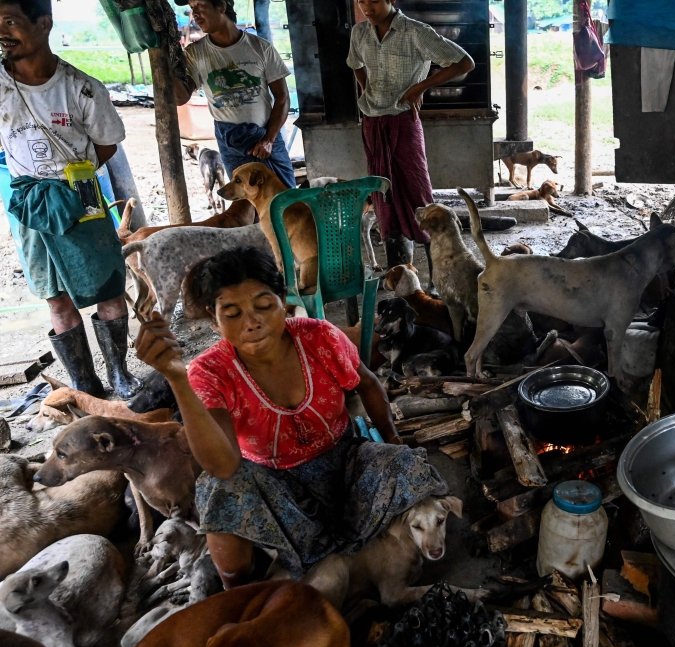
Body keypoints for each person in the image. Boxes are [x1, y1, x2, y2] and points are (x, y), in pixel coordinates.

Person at [135, 247, 448, 585]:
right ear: (214, 319)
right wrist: (177, 381)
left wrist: (393, 440)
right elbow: (224, 466)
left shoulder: (319, 336)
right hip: (274, 483)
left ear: (282, 300)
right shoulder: (209, 372)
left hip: (345, 463)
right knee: (219, 491)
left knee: (410, 465)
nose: (252, 322)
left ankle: (349, 553)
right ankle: (240, 589)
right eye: (232, 313)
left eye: (263, 306)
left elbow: (369, 386)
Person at [0, 0, 141, 398]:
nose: (2, 32)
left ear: (43, 24)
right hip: (28, 200)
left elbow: (107, 145)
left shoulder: (81, 87)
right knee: (55, 295)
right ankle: (84, 382)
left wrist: (71, 181)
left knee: (108, 285)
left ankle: (119, 373)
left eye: (10, 22)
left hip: (81, 194)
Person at [347, 0, 475, 272]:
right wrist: (367, 90)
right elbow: (355, 63)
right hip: (372, 122)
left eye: (374, 1)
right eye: (361, 1)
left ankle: (437, 271)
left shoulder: (416, 32)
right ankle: (400, 271)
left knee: (417, 190)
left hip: (404, 122)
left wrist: (421, 87)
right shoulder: (359, 33)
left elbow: (465, 62)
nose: (367, 7)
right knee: (383, 193)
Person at [173, 0, 296, 189]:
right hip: (230, 139)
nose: (194, 13)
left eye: (199, 4)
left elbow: (283, 98)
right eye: (191, 7)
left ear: (221, 6)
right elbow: (181, 98)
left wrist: (269, 140)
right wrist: (168, 64)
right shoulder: (195, 54)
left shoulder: (260, 47)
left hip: (266, 134)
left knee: (286, 196)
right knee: (245, 202)